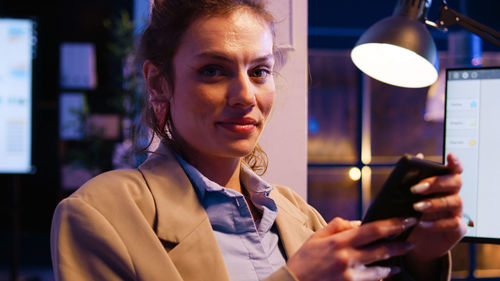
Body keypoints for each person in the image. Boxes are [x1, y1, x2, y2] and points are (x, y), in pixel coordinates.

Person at [50, 0, 467, 280]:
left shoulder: (296, 214)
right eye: (213, 70)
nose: (245, 95)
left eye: (259, 72)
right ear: (159, 83)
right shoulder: (101, 215)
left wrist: (421, 255)